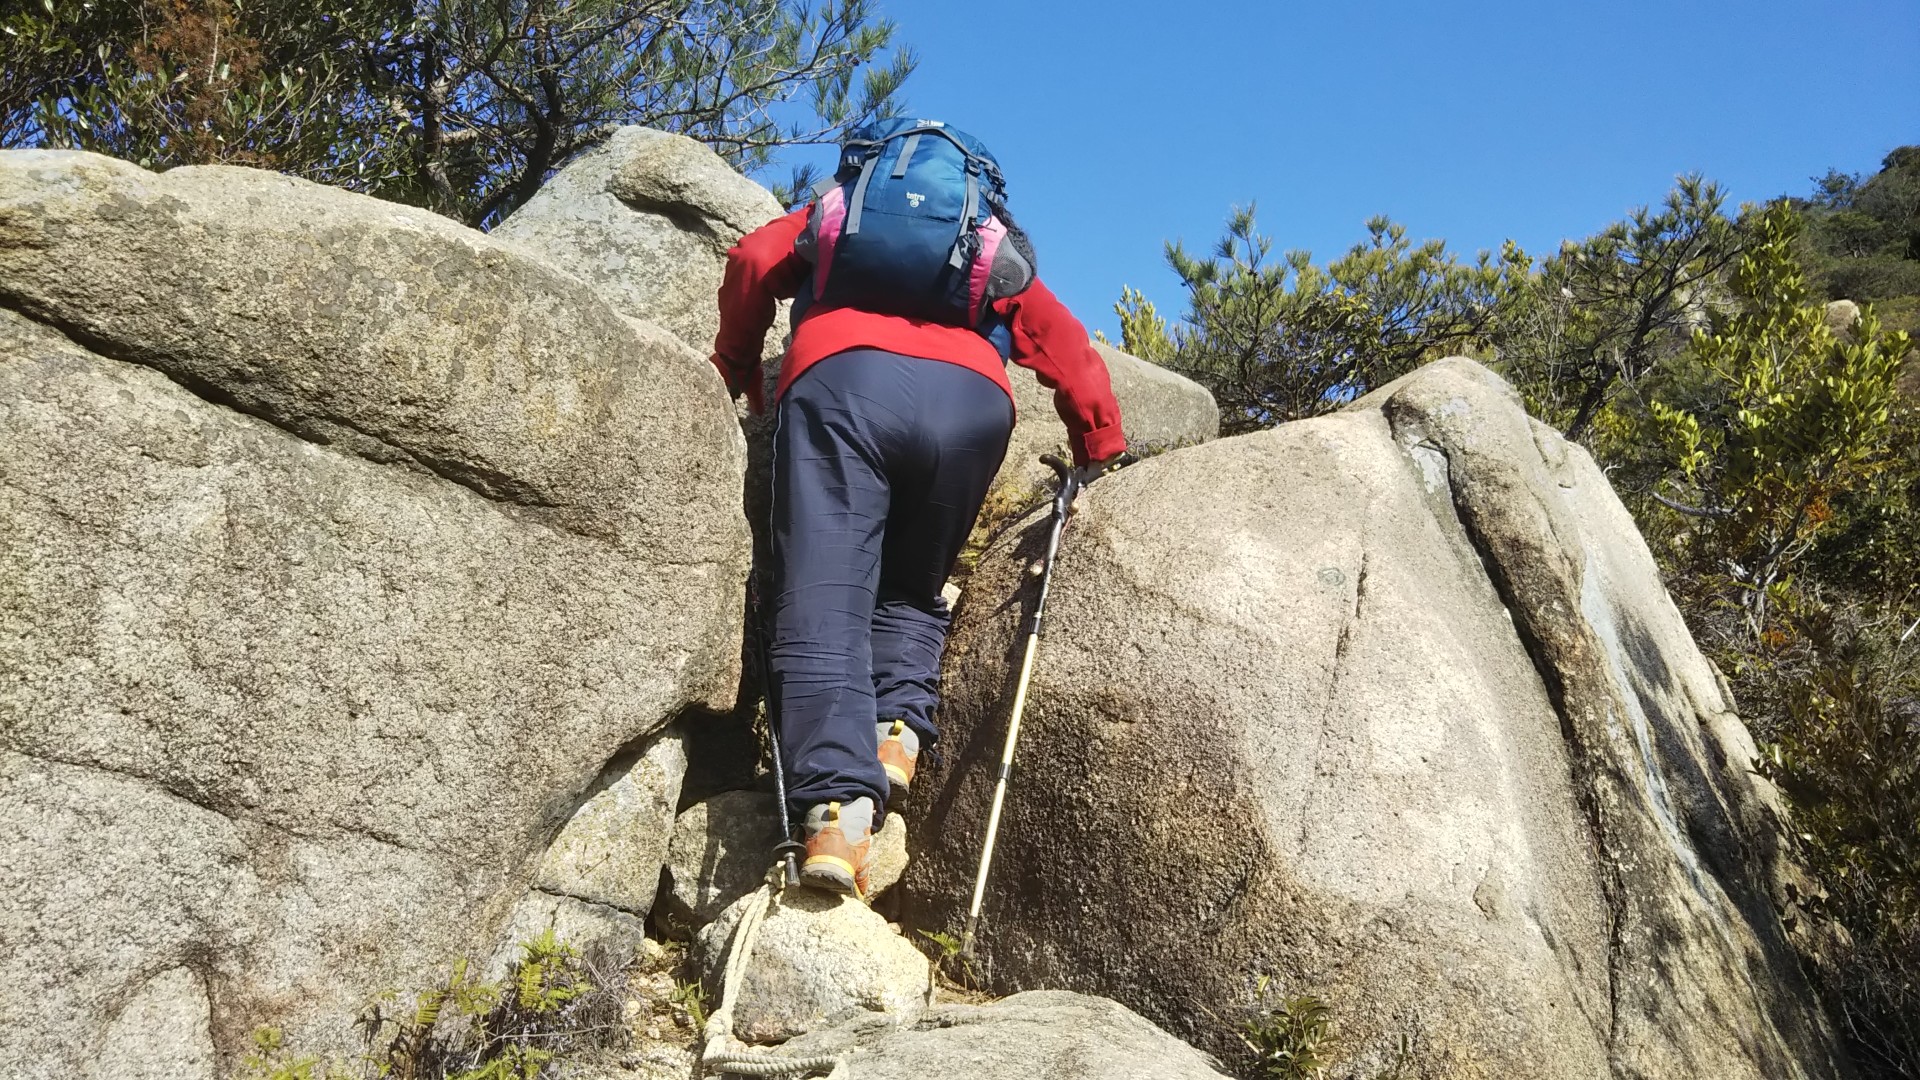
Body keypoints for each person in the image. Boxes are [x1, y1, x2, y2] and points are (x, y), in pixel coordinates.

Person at [710, 132, 1127, 898]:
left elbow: (749, 263)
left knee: (825, 594)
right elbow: (1063, 341)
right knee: (913, 583)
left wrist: (734, 367)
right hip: (971, 408)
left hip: (844, 385)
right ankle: (895, 728)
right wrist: (1098, 440)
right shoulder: (982, 240)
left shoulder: (837, 213)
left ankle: (836, 807)